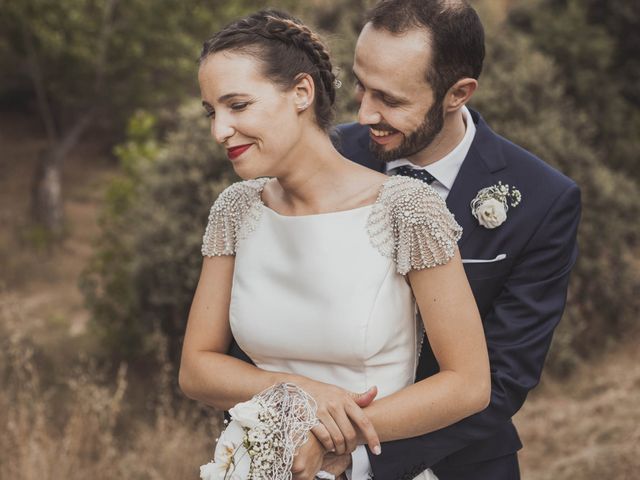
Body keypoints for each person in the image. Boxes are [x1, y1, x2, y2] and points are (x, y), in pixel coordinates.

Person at [179, 8, 491, 480]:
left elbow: (468, 385)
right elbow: (196, 370)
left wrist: (324, 435)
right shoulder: (235, 209)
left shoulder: (407, 209)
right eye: (212, 112)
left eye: (237, 106)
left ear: (302, 92)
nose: (219, 130)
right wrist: (296, 394)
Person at [329, 0, 581, 479]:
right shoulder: (328, 155)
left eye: (390, 99)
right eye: (361, 86)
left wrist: (352, 453)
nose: (364, 114)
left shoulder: (545, 200)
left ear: (458, 93)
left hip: (456, 466)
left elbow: (504, 377)